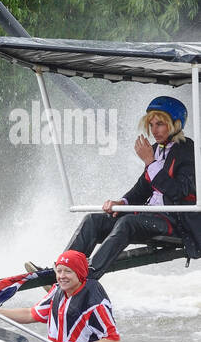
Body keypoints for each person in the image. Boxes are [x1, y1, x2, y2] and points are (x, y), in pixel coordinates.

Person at [62, 96, 200, 278]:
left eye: (160, 124)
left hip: (176, 221)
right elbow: (143, 188)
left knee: (127, 223)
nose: (154, 130)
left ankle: (87, 277)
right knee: (93, 221)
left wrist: (150, 162)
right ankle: (65, 268)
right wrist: (122, 202)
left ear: (175, 124)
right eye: (151, 125)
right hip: (151, 215)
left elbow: (179, 192)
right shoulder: (156, 149)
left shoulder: (189, 150)